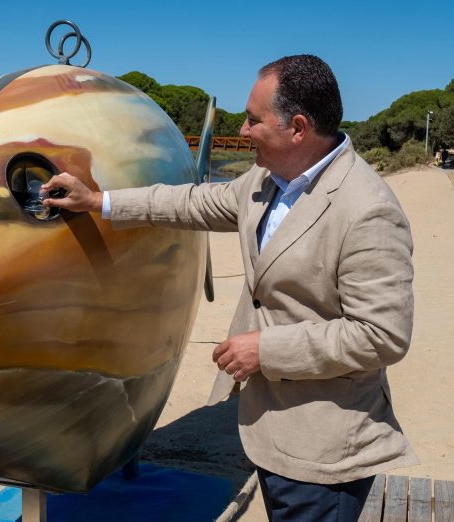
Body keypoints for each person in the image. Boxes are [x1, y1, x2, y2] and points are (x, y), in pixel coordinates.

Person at [41, 54, 417, 521]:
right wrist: (98, 200)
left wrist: (267, 349)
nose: (242, 130)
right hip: (269, 431)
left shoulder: (368, 210)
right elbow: (190, 202)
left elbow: (383, 335)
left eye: (253, 120)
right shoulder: (265, 182)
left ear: (297, 128)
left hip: (326, 447)